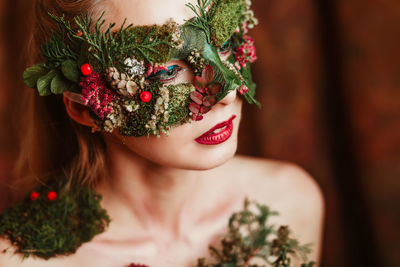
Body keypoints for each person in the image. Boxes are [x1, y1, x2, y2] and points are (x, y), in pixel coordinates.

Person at [0, 0, 324, 266]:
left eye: (223, 43)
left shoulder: (288, 204)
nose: (225, 94)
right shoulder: (22, 260)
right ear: (85, 106)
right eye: (168, 71)